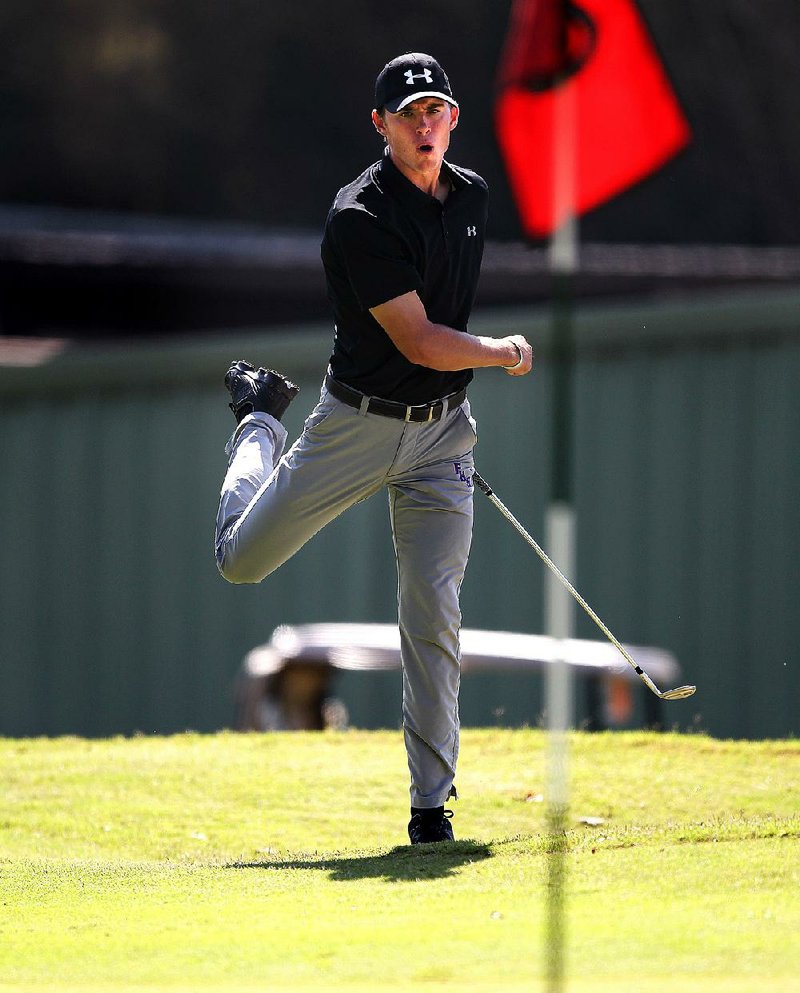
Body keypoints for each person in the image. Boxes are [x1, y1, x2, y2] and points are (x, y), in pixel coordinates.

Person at [215, 52, 533, 845]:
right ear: (381, 126)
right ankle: (260, 419)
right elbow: (424, 340)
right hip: (354, 425)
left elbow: (438, 344)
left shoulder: (473, 199)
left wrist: (451, 409)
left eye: (435, 112)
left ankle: (432, 809)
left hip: (440, 437)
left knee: (433, 609)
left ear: (453, 118)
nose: (423, 127)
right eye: (407, 115)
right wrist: (500, 352)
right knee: (240, 560)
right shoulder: (358, 215)